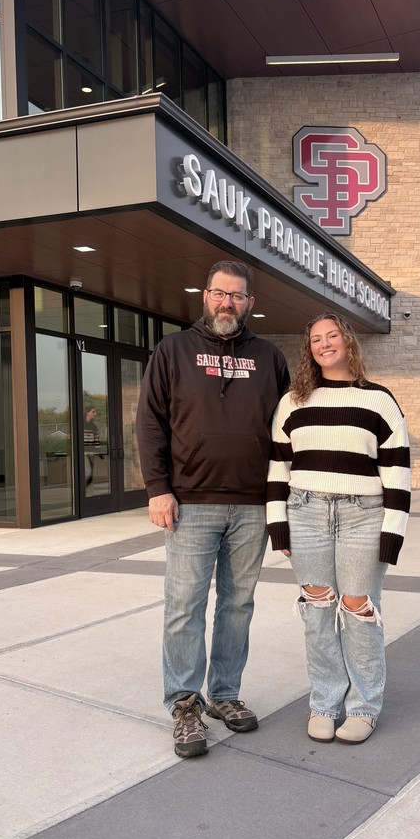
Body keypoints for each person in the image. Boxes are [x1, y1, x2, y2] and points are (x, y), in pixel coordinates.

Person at [136, 261, 290, 758]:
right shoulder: (173, 350)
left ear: (250, 302)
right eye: (220, 294)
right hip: (190, 504)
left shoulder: (269, 357)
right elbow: (150, 423)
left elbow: (288, 428)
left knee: (237, 605)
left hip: (252, 504)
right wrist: (158, 487)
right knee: (184, 607)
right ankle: (185, 704)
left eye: (238, 296)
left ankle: (224, 695)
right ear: (205, 296)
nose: (228, 303)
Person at [266, 313, 411, 745]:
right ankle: (324, 703)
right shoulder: (293, 401)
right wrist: (278, 523)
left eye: (332, 336)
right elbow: (278, 465)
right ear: (309, 349)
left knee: (358, 609)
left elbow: (398, 473)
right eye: (315, 339)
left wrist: (392, 531)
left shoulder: (379, 401)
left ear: (348, 342)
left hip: (363, 515)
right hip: (305, 511)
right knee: (317, 611)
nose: (324, 344)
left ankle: (364, 707)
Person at [83, 406, 100, 488]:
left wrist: (99, 452)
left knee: (90, 473)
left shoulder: (94, 426)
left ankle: (88, 492)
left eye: (95, 412)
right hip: (83, 452)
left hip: (91, 452)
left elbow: (96, 440)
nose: (95, 413)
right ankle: (81, 489)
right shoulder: (81, 425)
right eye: (93, 412)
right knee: (88, 472)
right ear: (87, 413)